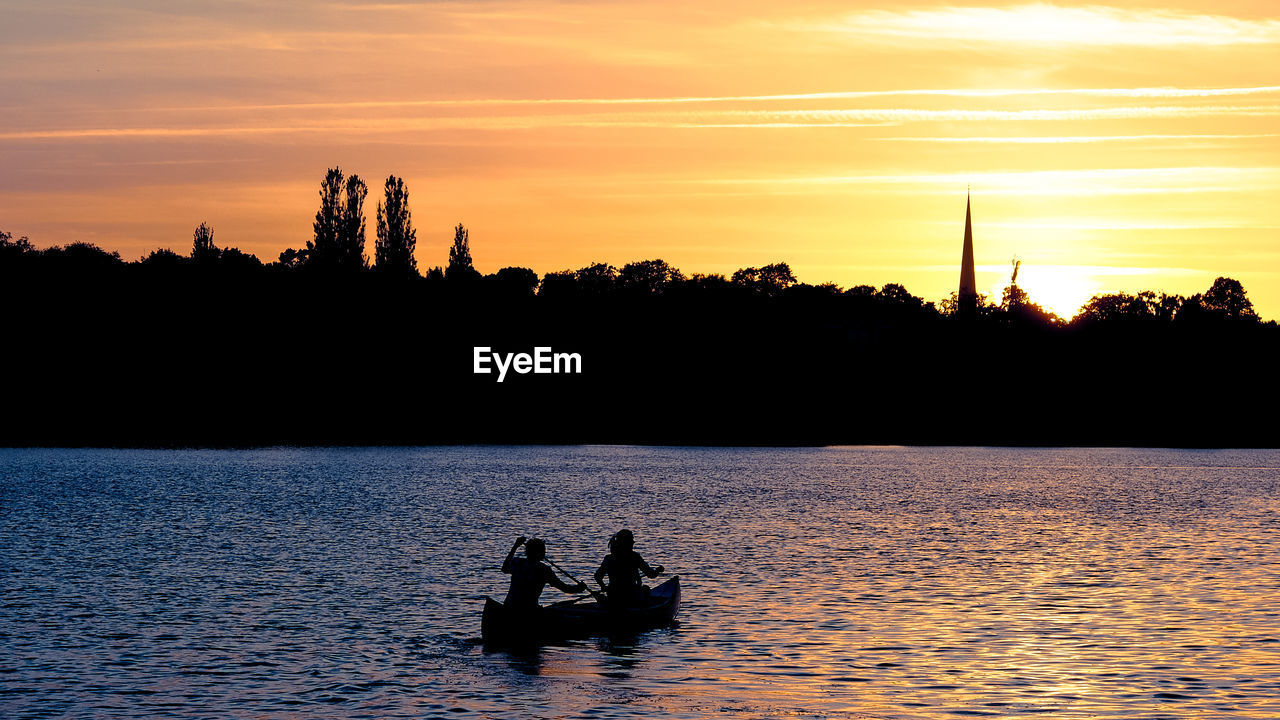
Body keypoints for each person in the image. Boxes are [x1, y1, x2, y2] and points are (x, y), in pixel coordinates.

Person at [502, 536, 586, 610]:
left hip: (508, 607)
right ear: (540, 553)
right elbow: (565, 589)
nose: (545, 553)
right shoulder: (544, 570)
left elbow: (504, 568)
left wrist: (515, 546)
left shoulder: (517, 562)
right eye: (544, 550)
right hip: (528, 610)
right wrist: (580, 588)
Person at [594, 529, 664, 607]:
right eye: (631, 541)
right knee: (646, 589)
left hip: (613, 596)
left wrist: (603, 586)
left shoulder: (609, 558)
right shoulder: (635, 557)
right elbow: (651, 574)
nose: (632, 544)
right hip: (631, 596)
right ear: (625, 543)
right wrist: (657, 570)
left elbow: (597, 576)